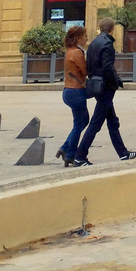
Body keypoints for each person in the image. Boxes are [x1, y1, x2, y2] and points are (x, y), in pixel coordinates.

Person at [73, 18, 136, 166]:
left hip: (96, 85)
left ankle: (123, 153)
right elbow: (108, 67)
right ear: (112, 29)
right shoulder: (107, 43)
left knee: (112, 121)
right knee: (96, 123)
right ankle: (80, 156)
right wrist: (115, 83)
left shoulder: (93, 44)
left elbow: (91, 65)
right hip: (105, 87)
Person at [56, 25, 89, 167]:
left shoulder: (69, 51)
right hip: (76, 91)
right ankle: (70, 154)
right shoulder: (77, 53)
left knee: (82, 121)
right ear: (78, 38)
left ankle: (64, 148)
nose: (87, 38)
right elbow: (85, 70)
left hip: (68, 90)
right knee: (79, 124)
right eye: (84, 36)